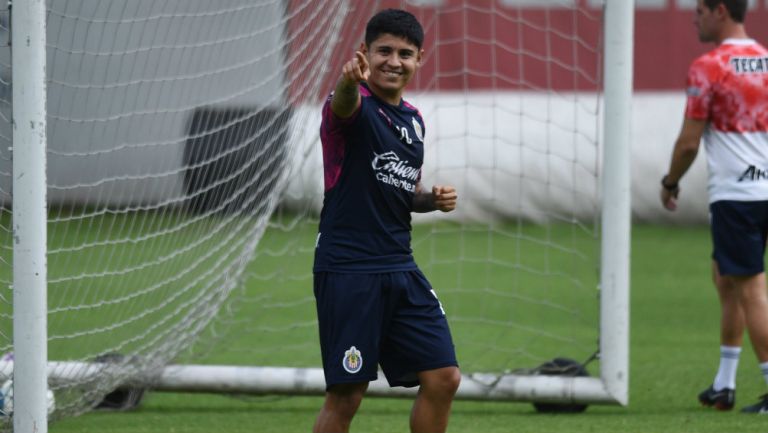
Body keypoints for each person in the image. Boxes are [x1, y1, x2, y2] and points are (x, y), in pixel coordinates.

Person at [312, 9, 461, 433]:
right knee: (347, 395)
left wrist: (429, 199)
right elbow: (343, 103)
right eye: (384, 51)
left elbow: (397, 193)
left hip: (400, 266)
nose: (394, 61)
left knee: (444, 377)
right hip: (349, 271)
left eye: (405, 53)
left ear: (419, 60)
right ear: (365, 53)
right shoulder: (351, 108)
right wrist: (347, 82)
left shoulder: (414, 120)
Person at [660, 0, 768, 413]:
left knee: (750, 288)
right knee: (725, 278)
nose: (694, 17)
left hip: (737, 194)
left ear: (720, 10)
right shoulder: (764, 59)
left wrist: (670, 183)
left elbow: (689, 142)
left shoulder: (709, 66)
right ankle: (724, 384)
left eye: (700, 11)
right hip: (763, 189)